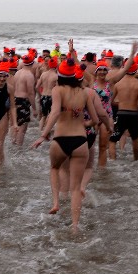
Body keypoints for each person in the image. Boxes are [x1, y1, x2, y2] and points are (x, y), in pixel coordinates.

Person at [32, 60, 108, 232]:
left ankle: (56, 202)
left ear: (60, 75)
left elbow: (56, 112)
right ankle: (75, 225)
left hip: (60, 139)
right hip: (80, 142)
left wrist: (43, 135)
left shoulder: (58, 90)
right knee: (76, 188)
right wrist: (84, 123)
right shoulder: (85, 93)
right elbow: (96, 120)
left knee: (54, 168)